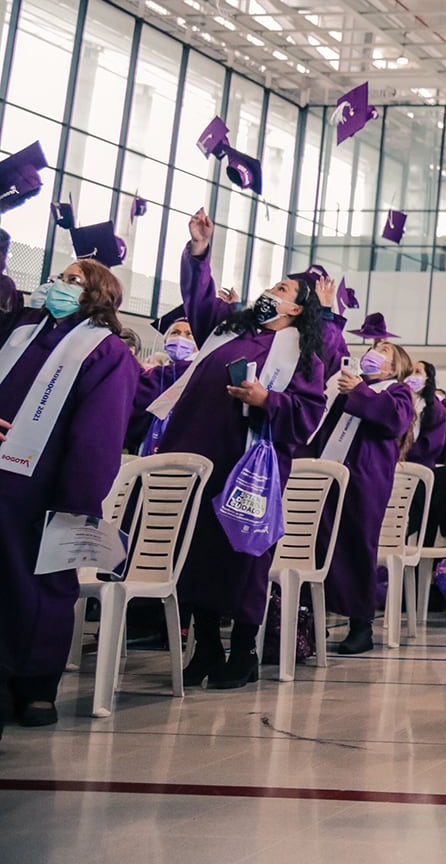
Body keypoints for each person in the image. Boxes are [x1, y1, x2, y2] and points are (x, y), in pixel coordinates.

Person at [159, 209, 328, 691]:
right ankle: (206, 647)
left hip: (250, 468)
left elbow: (309, 413)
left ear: (297, 309)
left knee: (243, 555)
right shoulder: (228, 329)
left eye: (282, 289)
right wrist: (199, 249)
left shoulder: (302, 356)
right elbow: (198, 299)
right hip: (199, 456)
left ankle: (243, 650)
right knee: (195, 550)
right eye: (272, 285)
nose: (271, 292)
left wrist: (266, 399)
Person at [0, 258, 140, 729]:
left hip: (45, 489)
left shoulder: (107, 352)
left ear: (97, 294)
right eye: (60, 277)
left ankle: (36, 685)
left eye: (73, 280)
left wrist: (78, 498)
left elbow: (98, 435)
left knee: (40, 587)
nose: (59, 284)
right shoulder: (20, 331)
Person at [301, 302, 418, 656]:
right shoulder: (347, 385)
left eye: (384, 351)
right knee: (320, 543)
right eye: (373, 348)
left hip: (366, 479)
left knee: (357, 546)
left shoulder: (397, 392)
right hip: (331, 473)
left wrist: (360, 392)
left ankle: (360, 624)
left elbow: (394, 421)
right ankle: (311, 619)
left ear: (394, 368)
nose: (374, 352)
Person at [126, 308, 195, 453]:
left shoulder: (203, 372)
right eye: (175, 333)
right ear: (165, 342)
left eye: (189, 334)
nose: (181, 338)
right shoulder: (155, 374)